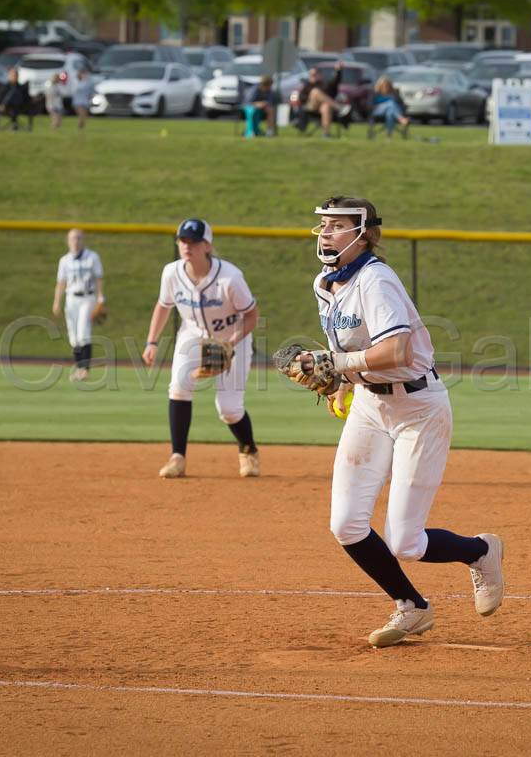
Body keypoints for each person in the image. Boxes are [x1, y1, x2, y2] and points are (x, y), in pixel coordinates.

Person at [297, 195, 504, 648]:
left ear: (363, 232)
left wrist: (335, 360)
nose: (326, 232)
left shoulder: (376, 279)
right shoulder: (324, 284)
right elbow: (354, 351)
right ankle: (412, 608)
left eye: (336, 224)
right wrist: (339, 382)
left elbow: (398, 351)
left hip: (418, 410)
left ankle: (481, 551)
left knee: (405, 541)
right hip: (371, 407)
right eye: (323, 225)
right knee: (346, 524)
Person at [142, 219, 261, 479]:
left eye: (193, 241)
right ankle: (178, 457)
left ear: (207, 245)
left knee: (229, 409)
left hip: (233, 338)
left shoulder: (230, 277)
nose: (187, 246)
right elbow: (163, 305)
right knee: (178, 387)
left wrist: (231, 342)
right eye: (182, 240)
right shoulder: (171, 273)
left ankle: (248, 449)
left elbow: (252, 316)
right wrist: (151, 341)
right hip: (193, 335)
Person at [52, 229, 104, 382]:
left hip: (87, 298)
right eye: (73, 238)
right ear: (68, 241)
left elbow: (99, 277)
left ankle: (85, 370)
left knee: (83, 334)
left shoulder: (92, 257)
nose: (76, 241)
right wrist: (57, 302)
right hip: (71, 299)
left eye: (79, 238)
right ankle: (80, 368)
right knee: (74, 338)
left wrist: (101, 298)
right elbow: (61, 282)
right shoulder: (64, 261)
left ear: (83, 240)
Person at [295, 64, 351, 135]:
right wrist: (311, 97)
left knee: (326, 106)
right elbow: (301, 98)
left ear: (320, 75)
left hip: (321, 108)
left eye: (314, 74)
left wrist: (338, 70)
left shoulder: (325, 84)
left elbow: (336, 81)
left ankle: (326, 133)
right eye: (311, 74)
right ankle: (339, 108)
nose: (312, 76)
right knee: (315, 92)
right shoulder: (307, 86)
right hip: (310, 107)